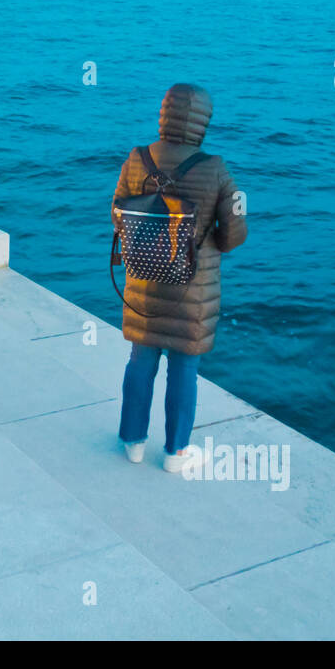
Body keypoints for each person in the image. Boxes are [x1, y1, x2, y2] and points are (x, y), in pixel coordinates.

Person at [112, 82, 247, 470]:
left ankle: (133, 442)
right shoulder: (215, 169)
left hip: (143, 282)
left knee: (140, 360)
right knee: (184, 368)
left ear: (164, 113)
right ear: (202, 121)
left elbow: (118, 214)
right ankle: (176, 451)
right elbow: (234, 232)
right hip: (193, 290)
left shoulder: (137, 158)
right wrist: (213, 242)